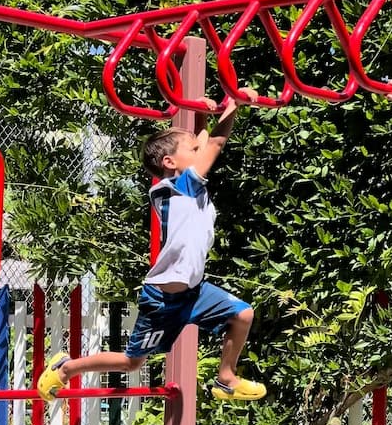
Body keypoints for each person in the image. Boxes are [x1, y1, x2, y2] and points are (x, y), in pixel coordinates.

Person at [36, 93, 267, 403]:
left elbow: (204, 143)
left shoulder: (186, 185)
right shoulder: (181, 186)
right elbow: (214, 143)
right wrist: (234, 104)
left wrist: (201, 115)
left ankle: (226, 378)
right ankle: (66, 368)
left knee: (243, 314)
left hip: (194, 292)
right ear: (169, 162)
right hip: (163, 300)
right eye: (192, 150)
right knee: (132, 362)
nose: (199, 151)